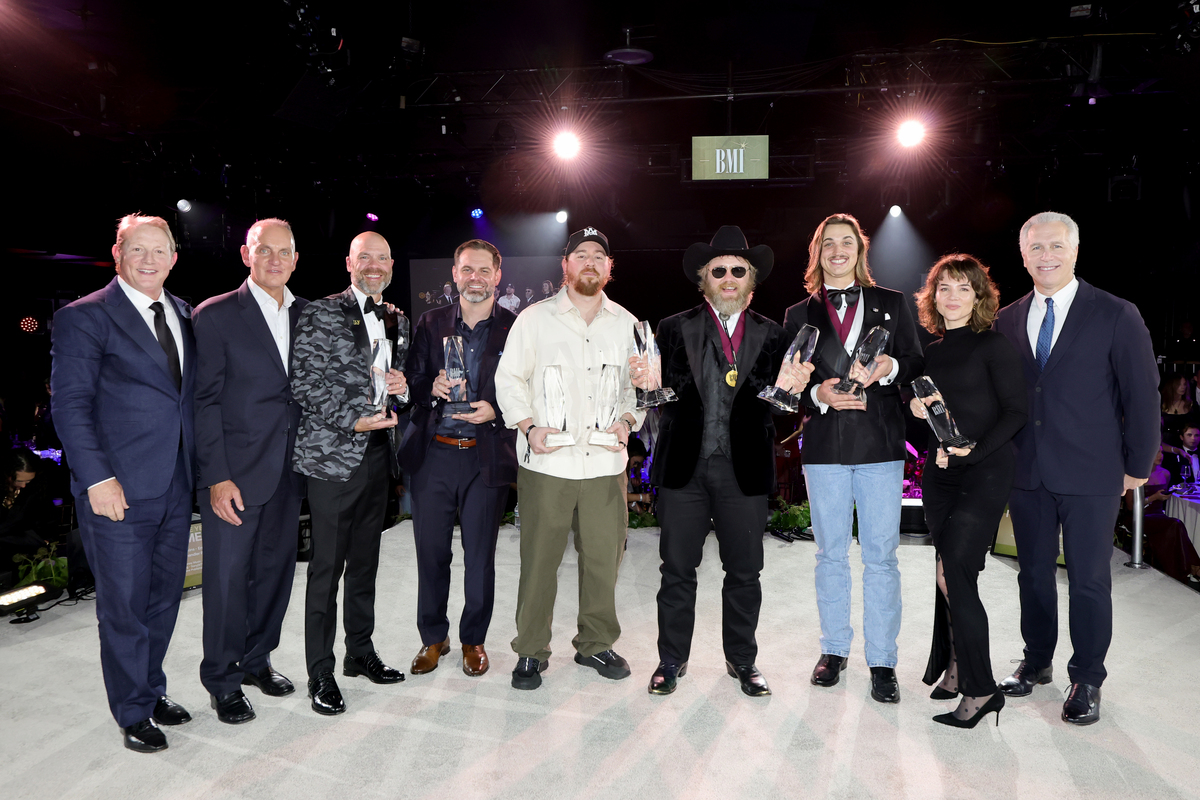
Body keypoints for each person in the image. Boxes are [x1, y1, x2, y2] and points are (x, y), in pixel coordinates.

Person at [994, 211, 1158, 725]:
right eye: (1036, 248)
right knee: (1033, 576)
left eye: (1056, 246)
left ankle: (1087, 677)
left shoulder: (1115, 313)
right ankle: (1037, 661)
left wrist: (1137, 464)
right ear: (1023, 255)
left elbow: (1142, 394)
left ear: (1075, 250)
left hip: (1093, 473)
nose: (1046, 256)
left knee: (1089, 581)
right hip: (1028, 470)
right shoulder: (1007, 318)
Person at [634, 226, 808, 697]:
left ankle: (742, 660)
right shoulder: (670, 329)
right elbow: (655, 394)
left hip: (743, 469)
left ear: (751, 280)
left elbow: (779, 405)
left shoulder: (775, 334)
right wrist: (643, 384)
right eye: (719, 270)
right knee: (676, 570)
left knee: (745, 572)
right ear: (703, 279)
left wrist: (792, 392)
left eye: (738, 270)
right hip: (682, 470)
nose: (728, 278)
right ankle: (671, 660)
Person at [51, 214, 196, 753]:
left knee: (163, 600)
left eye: (159, 250)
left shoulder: (182, 312)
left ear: (174, 257)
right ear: (118, 254)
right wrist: (98, 479)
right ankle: (131, 709)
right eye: (138, 250)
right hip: (117, 490)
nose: (149, 260)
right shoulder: (84, 318)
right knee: (123, 605)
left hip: (175, 485)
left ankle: (150, 689)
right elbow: (70, 407)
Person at [782, 213, 924, 704]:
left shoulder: (892, 302)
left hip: (881, 446)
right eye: (828, 244)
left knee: (881, 557)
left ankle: (883, 661)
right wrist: (818, 392)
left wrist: (891, 367)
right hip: (824, 449)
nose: (838, 251)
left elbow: (916, 361)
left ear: (861, 252)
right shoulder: (797, 314)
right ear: (817, 254)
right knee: (829, 554)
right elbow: (788, 386)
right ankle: (834, 649)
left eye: (847, 243)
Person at [494, 226, 644, 691]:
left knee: (603, 560)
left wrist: (628, 419)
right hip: (548, 465)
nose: (590, 262)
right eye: (581, 254)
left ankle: (595, 644)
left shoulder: (628, 324)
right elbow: (509, 380)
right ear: (565, 265)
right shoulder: (534, 320)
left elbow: (639, 388)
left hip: (604, 466)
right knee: (539, 562)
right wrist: (528, 426)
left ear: (609, 267)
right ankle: (531, 651)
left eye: (599, 255)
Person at [192, 219, 308, 725]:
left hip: (290, 472)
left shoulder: (309, 315)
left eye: (285, 252)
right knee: (226, 580)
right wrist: (217, 476)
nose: (276, 260)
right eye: (266, 251)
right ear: (247, 254)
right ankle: (221, 678)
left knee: (275, 576)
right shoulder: (215, 315)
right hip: (235, 475)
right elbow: (203, 402)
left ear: (296, 259)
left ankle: (257, 660)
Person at [291, 231, 411, 715]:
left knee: (366, 564)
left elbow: (393, 385)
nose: (375, 265)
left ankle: (359, 653)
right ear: (349, 263)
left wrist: (401, 388)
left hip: (379, 455)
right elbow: (302, 382)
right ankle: (319, 670)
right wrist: (351, 419)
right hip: (331, 459)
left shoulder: (398, 317)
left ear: (391, 263)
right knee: (326, 570)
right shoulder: (320, 312)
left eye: (383, 257)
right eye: (366, 257)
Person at [908, 254, 1028, 728]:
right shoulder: (932, 352)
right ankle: (957, 669)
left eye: (963, 288)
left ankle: (982, 691)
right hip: (942, 476)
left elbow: (1015, 413)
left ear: (979, 296)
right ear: (932, 296)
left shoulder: (994, 346)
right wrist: (922, 423)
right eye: (944, 288)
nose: (952, 296)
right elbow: (939, 420)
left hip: (985, 473)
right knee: (947, 577)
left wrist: (970, 453)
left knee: (956, 574)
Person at [399, 239, 517, 677]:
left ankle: (473, 639)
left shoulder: (514, 327)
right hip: (435, 455)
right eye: (467, 269)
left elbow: (528, 388)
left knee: (479, 556)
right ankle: (434, 638)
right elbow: (410, 381)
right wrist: (429, 386)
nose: (475, 278)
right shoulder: (430, 323)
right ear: (454, 274)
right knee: (430, 553)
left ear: (497, 276)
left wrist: (497, 409)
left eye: (483, 270)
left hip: (485, 457)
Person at [1160, 374, 1195, 445]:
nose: (1183, 387)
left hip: (1185, 442)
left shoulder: (1191, 404)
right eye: (1179, 385)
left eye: (1184, 384)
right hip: (1166, 441)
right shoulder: (1162, 403)